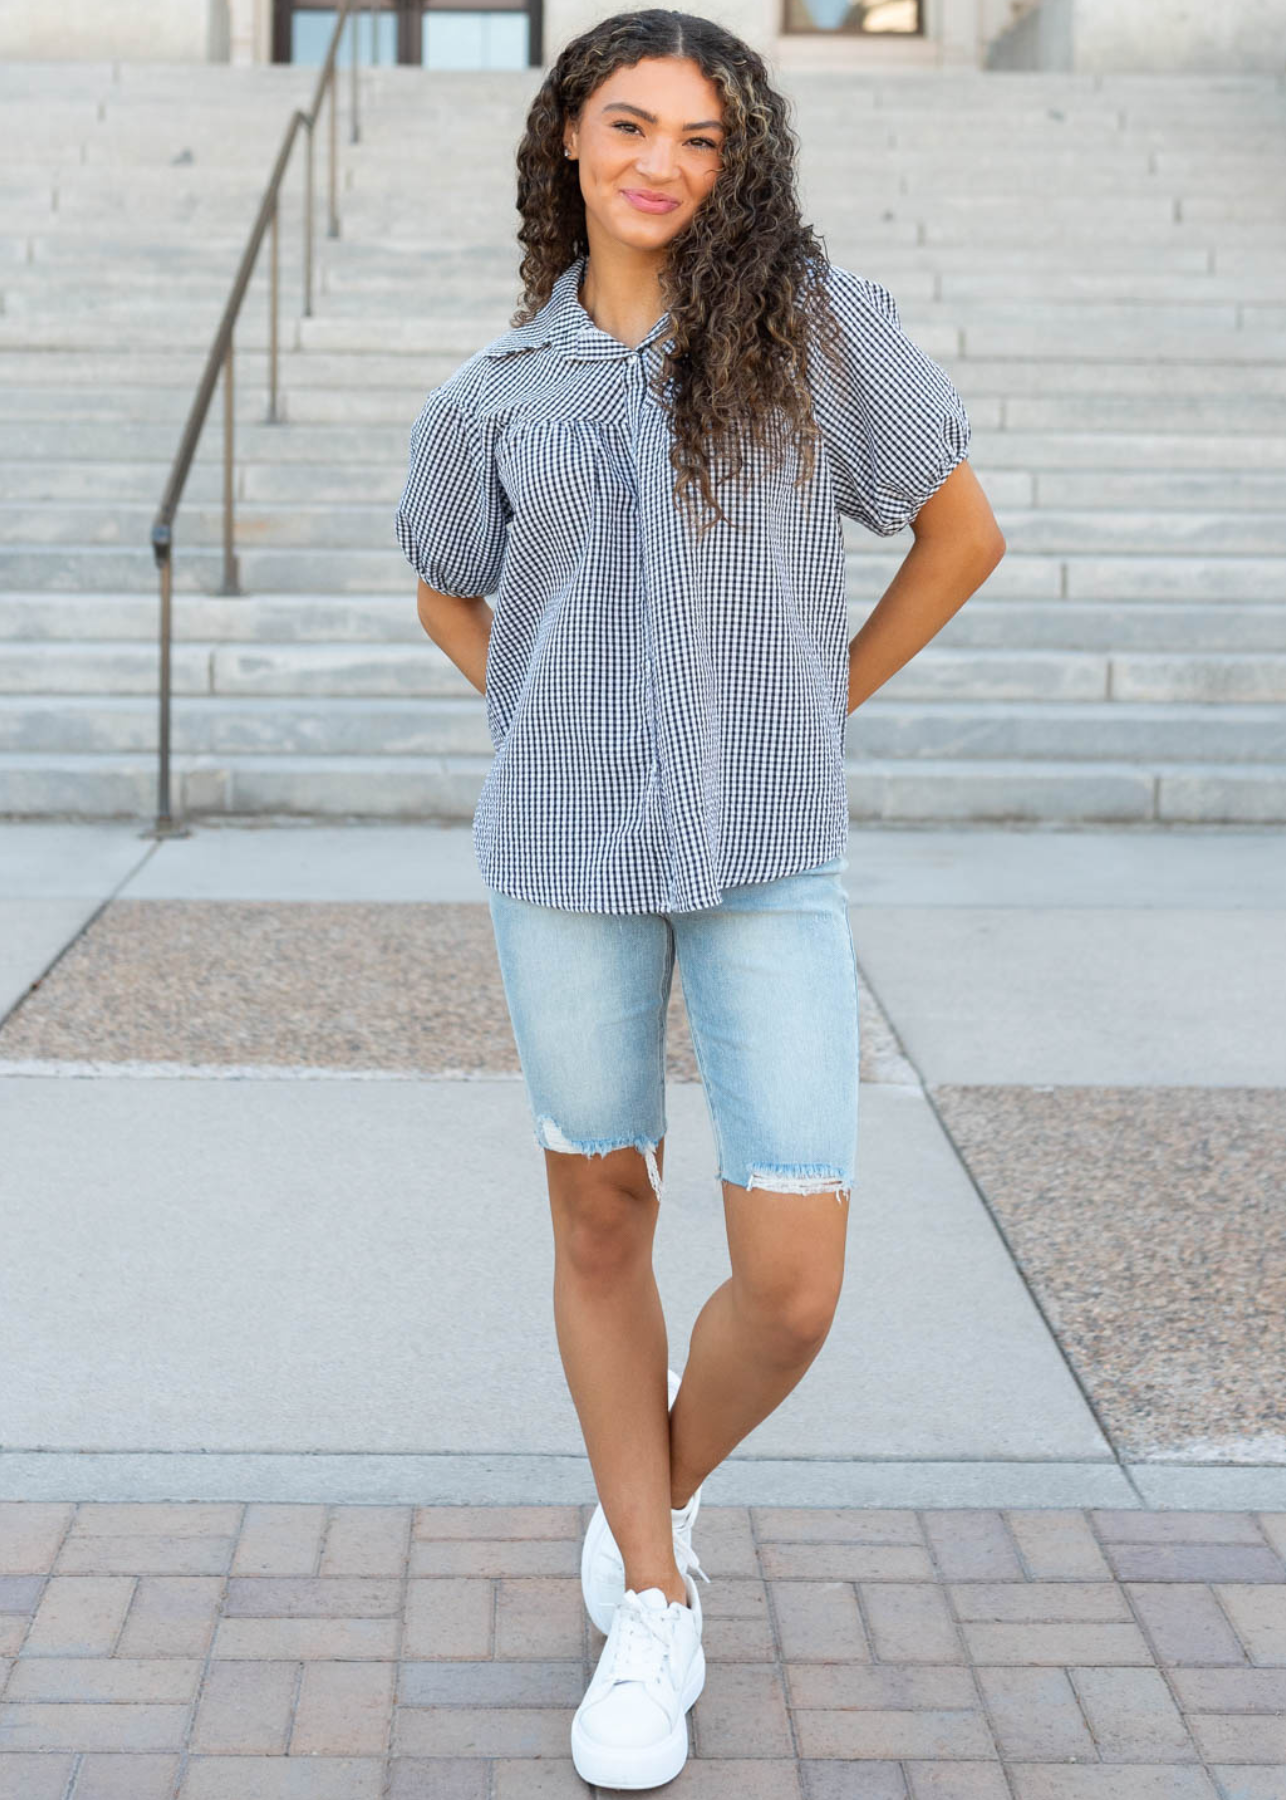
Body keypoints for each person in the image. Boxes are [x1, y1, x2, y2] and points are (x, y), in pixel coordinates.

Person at [396, 8, 1006, 1786]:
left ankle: (640, 1488)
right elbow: (448, 588)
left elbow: (956, 533)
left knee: (793, 1278)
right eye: (630, 125)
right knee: (600, 1215)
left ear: (738, 164)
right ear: (567, 143)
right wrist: (542, 718)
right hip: (562, 860)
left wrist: (811, 706)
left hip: (767, 859)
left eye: (704, 139)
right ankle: (650, 1602)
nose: (663, 162)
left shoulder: (812, 332)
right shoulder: (492, 394)